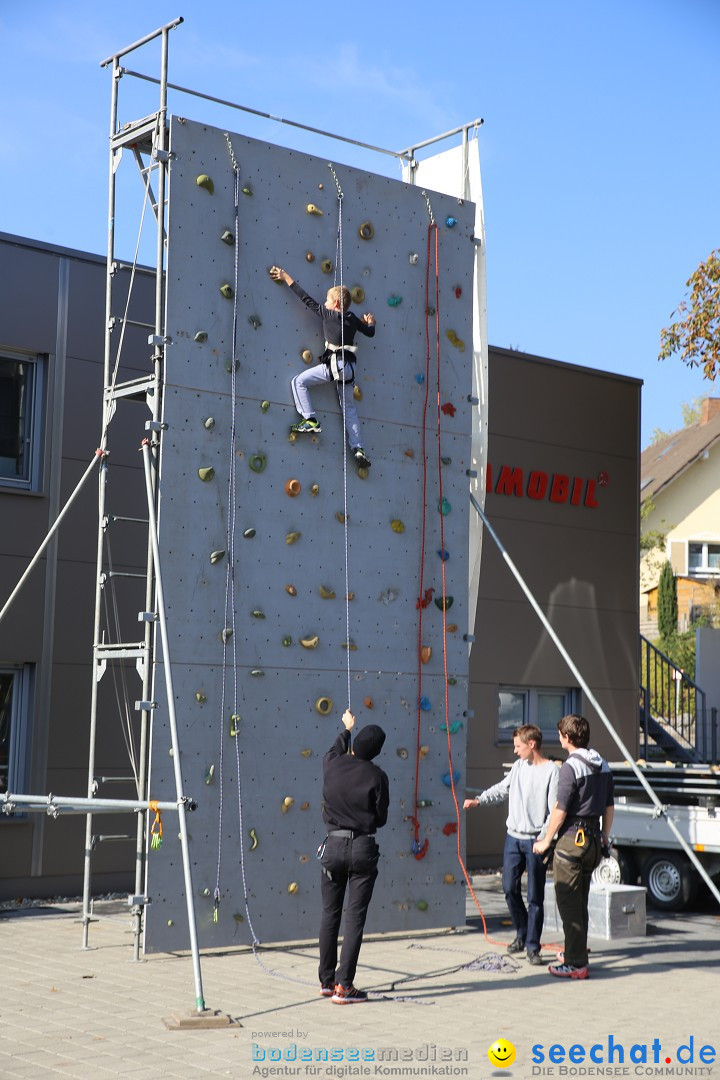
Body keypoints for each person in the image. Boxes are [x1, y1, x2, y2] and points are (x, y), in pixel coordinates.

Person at [463, 725, 559, 965]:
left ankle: (533, 947)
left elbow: (554, 810)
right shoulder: (518, 768)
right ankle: (522, 932)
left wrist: (545, 838)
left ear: (532, 744)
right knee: (509, 888)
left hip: (535, 841)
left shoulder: (551, 772)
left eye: (518, 746)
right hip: (513, 838)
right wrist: (479, 800)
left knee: (535, 897)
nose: (514, 751)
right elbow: (502, 788)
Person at [533, 714, 615, 980]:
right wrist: (604, 835)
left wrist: (546, 840)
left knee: (568, 901)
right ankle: (575, 951)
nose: (558, 738)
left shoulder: (571, 767)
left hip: (572, 840)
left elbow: (560, 809)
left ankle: (576, 963)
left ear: (567, 737)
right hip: (592, 840)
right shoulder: (601, 763)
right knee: (580, 902)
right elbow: (609, 806)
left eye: (560, 734)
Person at [269, 265, 375, 468]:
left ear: (334, 304)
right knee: (349, 409)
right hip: (350, 369)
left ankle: (310, 419)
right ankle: (358, 448)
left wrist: (285, 276)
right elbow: (370, 333)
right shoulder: (353, 319)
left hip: (334, 366)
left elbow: (305, 298)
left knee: (298, 381)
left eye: (327, 300)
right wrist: (370, 322)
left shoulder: (328, 314)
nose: (324, 304)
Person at [318, 708, 389, 1004]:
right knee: (354, 919)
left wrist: (346, 727)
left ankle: (327, 980)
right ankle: (344, 986)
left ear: (354, 743)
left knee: (329, 914)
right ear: (376, 752)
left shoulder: (332, 764)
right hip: (361, 847)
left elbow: (333, 747)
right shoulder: (378, 775)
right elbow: (381, 818)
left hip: (332, 847)